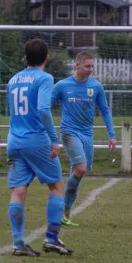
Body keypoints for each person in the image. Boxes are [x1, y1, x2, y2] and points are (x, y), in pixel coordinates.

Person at [6, 38, 73, 257]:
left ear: (25, 58)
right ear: (47, 58)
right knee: (56, 187)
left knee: (18, 191)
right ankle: (52, 239)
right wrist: (54, 139)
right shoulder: (45, 78)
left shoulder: (13, 80)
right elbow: (44, 109)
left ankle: (18, 244)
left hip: (14, 140)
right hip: (36, 140)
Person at [51, 52, 115, 227]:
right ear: (77, 65)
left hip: (87, 135)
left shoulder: (96, 87)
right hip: (69, 132)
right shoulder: (62, 86)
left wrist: (112, 134)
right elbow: (45, 106)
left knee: (77, 173)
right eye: (87, 66)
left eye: (92, 66)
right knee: (81, 168)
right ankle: (63, 207)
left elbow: (105, 110)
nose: (90, 70)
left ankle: (64, 212)